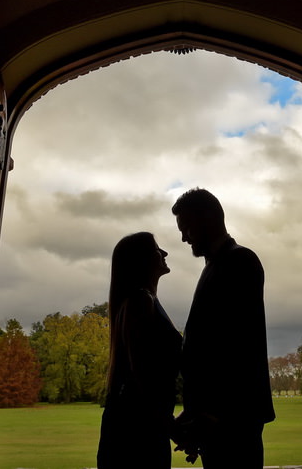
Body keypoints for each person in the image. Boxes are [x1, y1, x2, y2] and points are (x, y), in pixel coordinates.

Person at [170, 188, 275, 468]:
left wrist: (213, 415)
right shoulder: (218, 264)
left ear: (207, 219)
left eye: (187, 227)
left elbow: (241, 344)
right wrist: (195, 412)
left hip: (232, 418)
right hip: (218, 417)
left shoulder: (240, 261)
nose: (183, 237)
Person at [97, 232, 183, 469]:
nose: (164, 253)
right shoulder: (141, 302)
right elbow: (143, 377)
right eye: (157, 249)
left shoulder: (144, 301)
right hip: (138, 433)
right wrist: (172, 428)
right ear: (142, 260)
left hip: (136, 428)